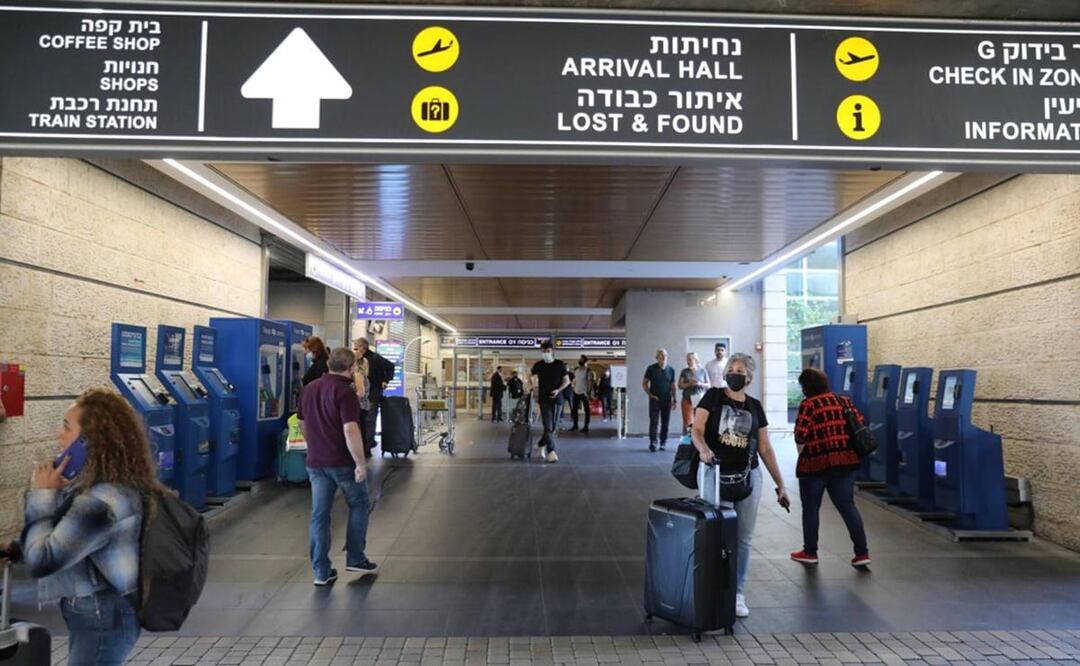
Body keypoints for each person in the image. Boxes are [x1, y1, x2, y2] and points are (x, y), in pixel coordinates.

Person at [1, 389, 168, 665]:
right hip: (99, 614)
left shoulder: (101, 501)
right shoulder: (101, 486)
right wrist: (17, 549)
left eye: (66, 427)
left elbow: (43, 561)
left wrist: (42, 495)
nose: (59, 434)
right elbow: (70, 540)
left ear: (89, 441)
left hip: (101, 618)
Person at [690, 352, 790, 619]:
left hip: (748, 477)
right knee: (718, 535)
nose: (735, 373)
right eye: (731, 369)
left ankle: (737, 593)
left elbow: (765, 448)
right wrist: (703, 449)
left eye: (740, 370)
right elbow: (697, 429)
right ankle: (714, 590)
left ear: (749, 377)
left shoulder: (755, 407)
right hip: (715, 475)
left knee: (743, 538)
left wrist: (780, 484)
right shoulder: (713, 397)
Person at [297, 347, 378, 586]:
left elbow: (301, 422)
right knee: (359, 504)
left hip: (316, 462)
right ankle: (355, 557)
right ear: (351, 368)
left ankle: (321, 572)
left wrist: (314, 444)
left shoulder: (309, 389)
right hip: (342, 462)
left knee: (319, 515)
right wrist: (360, 463)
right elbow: (350, 429)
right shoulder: (345, 393)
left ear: (328, 364)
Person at [789, 368, 871, 568]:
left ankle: (810, 552)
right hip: (845, 462)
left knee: (811, 508)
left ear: (806, 386)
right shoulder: (843, 401)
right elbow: (860, 423)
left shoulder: (809, 404)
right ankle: (862, 553)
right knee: (847, 506)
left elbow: (800, 435)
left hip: (815, 464)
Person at [353, 338, 395, 456]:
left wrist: (386, 380)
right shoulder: (357, 359)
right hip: (364, 394)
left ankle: (367, 446)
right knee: (365, 420)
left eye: (356, 347)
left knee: (369, 420)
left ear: (362, 347)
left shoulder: (375, 358)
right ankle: (366, 444)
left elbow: (390, 366)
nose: (355, 349)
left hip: (372, 394)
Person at [531, 341, 570, 463]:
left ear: (552, 351)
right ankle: (551, 452)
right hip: (544, 399)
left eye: (548, 351)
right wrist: (532, 386)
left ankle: (540, 445)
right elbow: (530, 375)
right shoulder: (538, 365)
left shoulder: (559, 364)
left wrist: (558, 390)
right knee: (548, 425)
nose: (546, 353)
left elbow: (567, 381)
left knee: (552, 427)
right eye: (543, 351)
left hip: (557, 399)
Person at [642, 348, 676, 452]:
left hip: (667, 399)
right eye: (661, 355)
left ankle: (663, 442)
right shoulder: (651, 368)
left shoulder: (671, 370)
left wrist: (674, 399)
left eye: (665, 355)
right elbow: (644, 383)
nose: (664, 357)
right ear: (657, 358)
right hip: (655, 400)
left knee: (665, 422)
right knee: (654, 421)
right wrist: (650, 395)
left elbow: (673, 385)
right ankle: (653, 442)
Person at [678, 352, 710, 433]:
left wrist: (700, 384)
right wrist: (689, 383)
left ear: (696, 360)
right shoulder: (684, 371)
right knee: (688, 422)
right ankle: (688, 439)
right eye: (687, 359)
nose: (688, 361)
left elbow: (708, 385)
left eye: (690, 359)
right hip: (687, 400)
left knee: (700, 421)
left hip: (700, 400)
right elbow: (680, 386)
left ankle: (698, 439)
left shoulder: (703, 370)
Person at [570, 355, 593, 434]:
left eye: (582, 359)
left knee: (586, 410)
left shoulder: (588, 370)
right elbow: (575, 380)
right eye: (580, 359)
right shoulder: (576, 370)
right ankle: (575, 425)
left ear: (585, 361)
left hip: (584, 393)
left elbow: (590, 382)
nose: (580, 360)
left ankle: (586, 426)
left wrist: (589, 393)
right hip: (576, 391)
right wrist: (573, 387)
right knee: (574, 409)